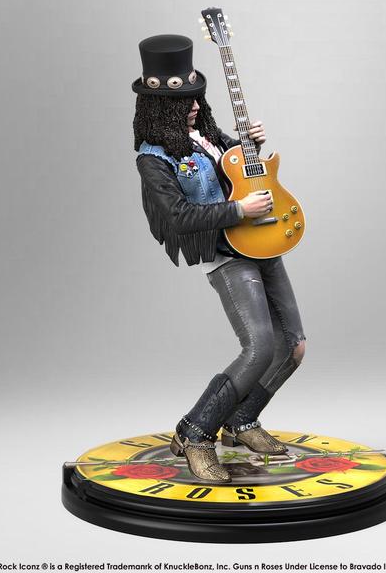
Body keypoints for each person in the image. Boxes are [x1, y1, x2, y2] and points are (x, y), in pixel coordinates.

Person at [132, 35, 306, 483]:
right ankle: (195, 432)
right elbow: (177, 216)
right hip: (227, 255)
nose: (194, 106)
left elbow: (240, 170)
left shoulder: (208, 136)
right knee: (260, 347)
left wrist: (250, 145)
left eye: (197, 97)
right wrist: (238, 211)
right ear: (159, 108)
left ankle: (242, 421)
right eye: (184, 102)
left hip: (263, 242)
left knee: (293, 346)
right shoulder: (153, 159)